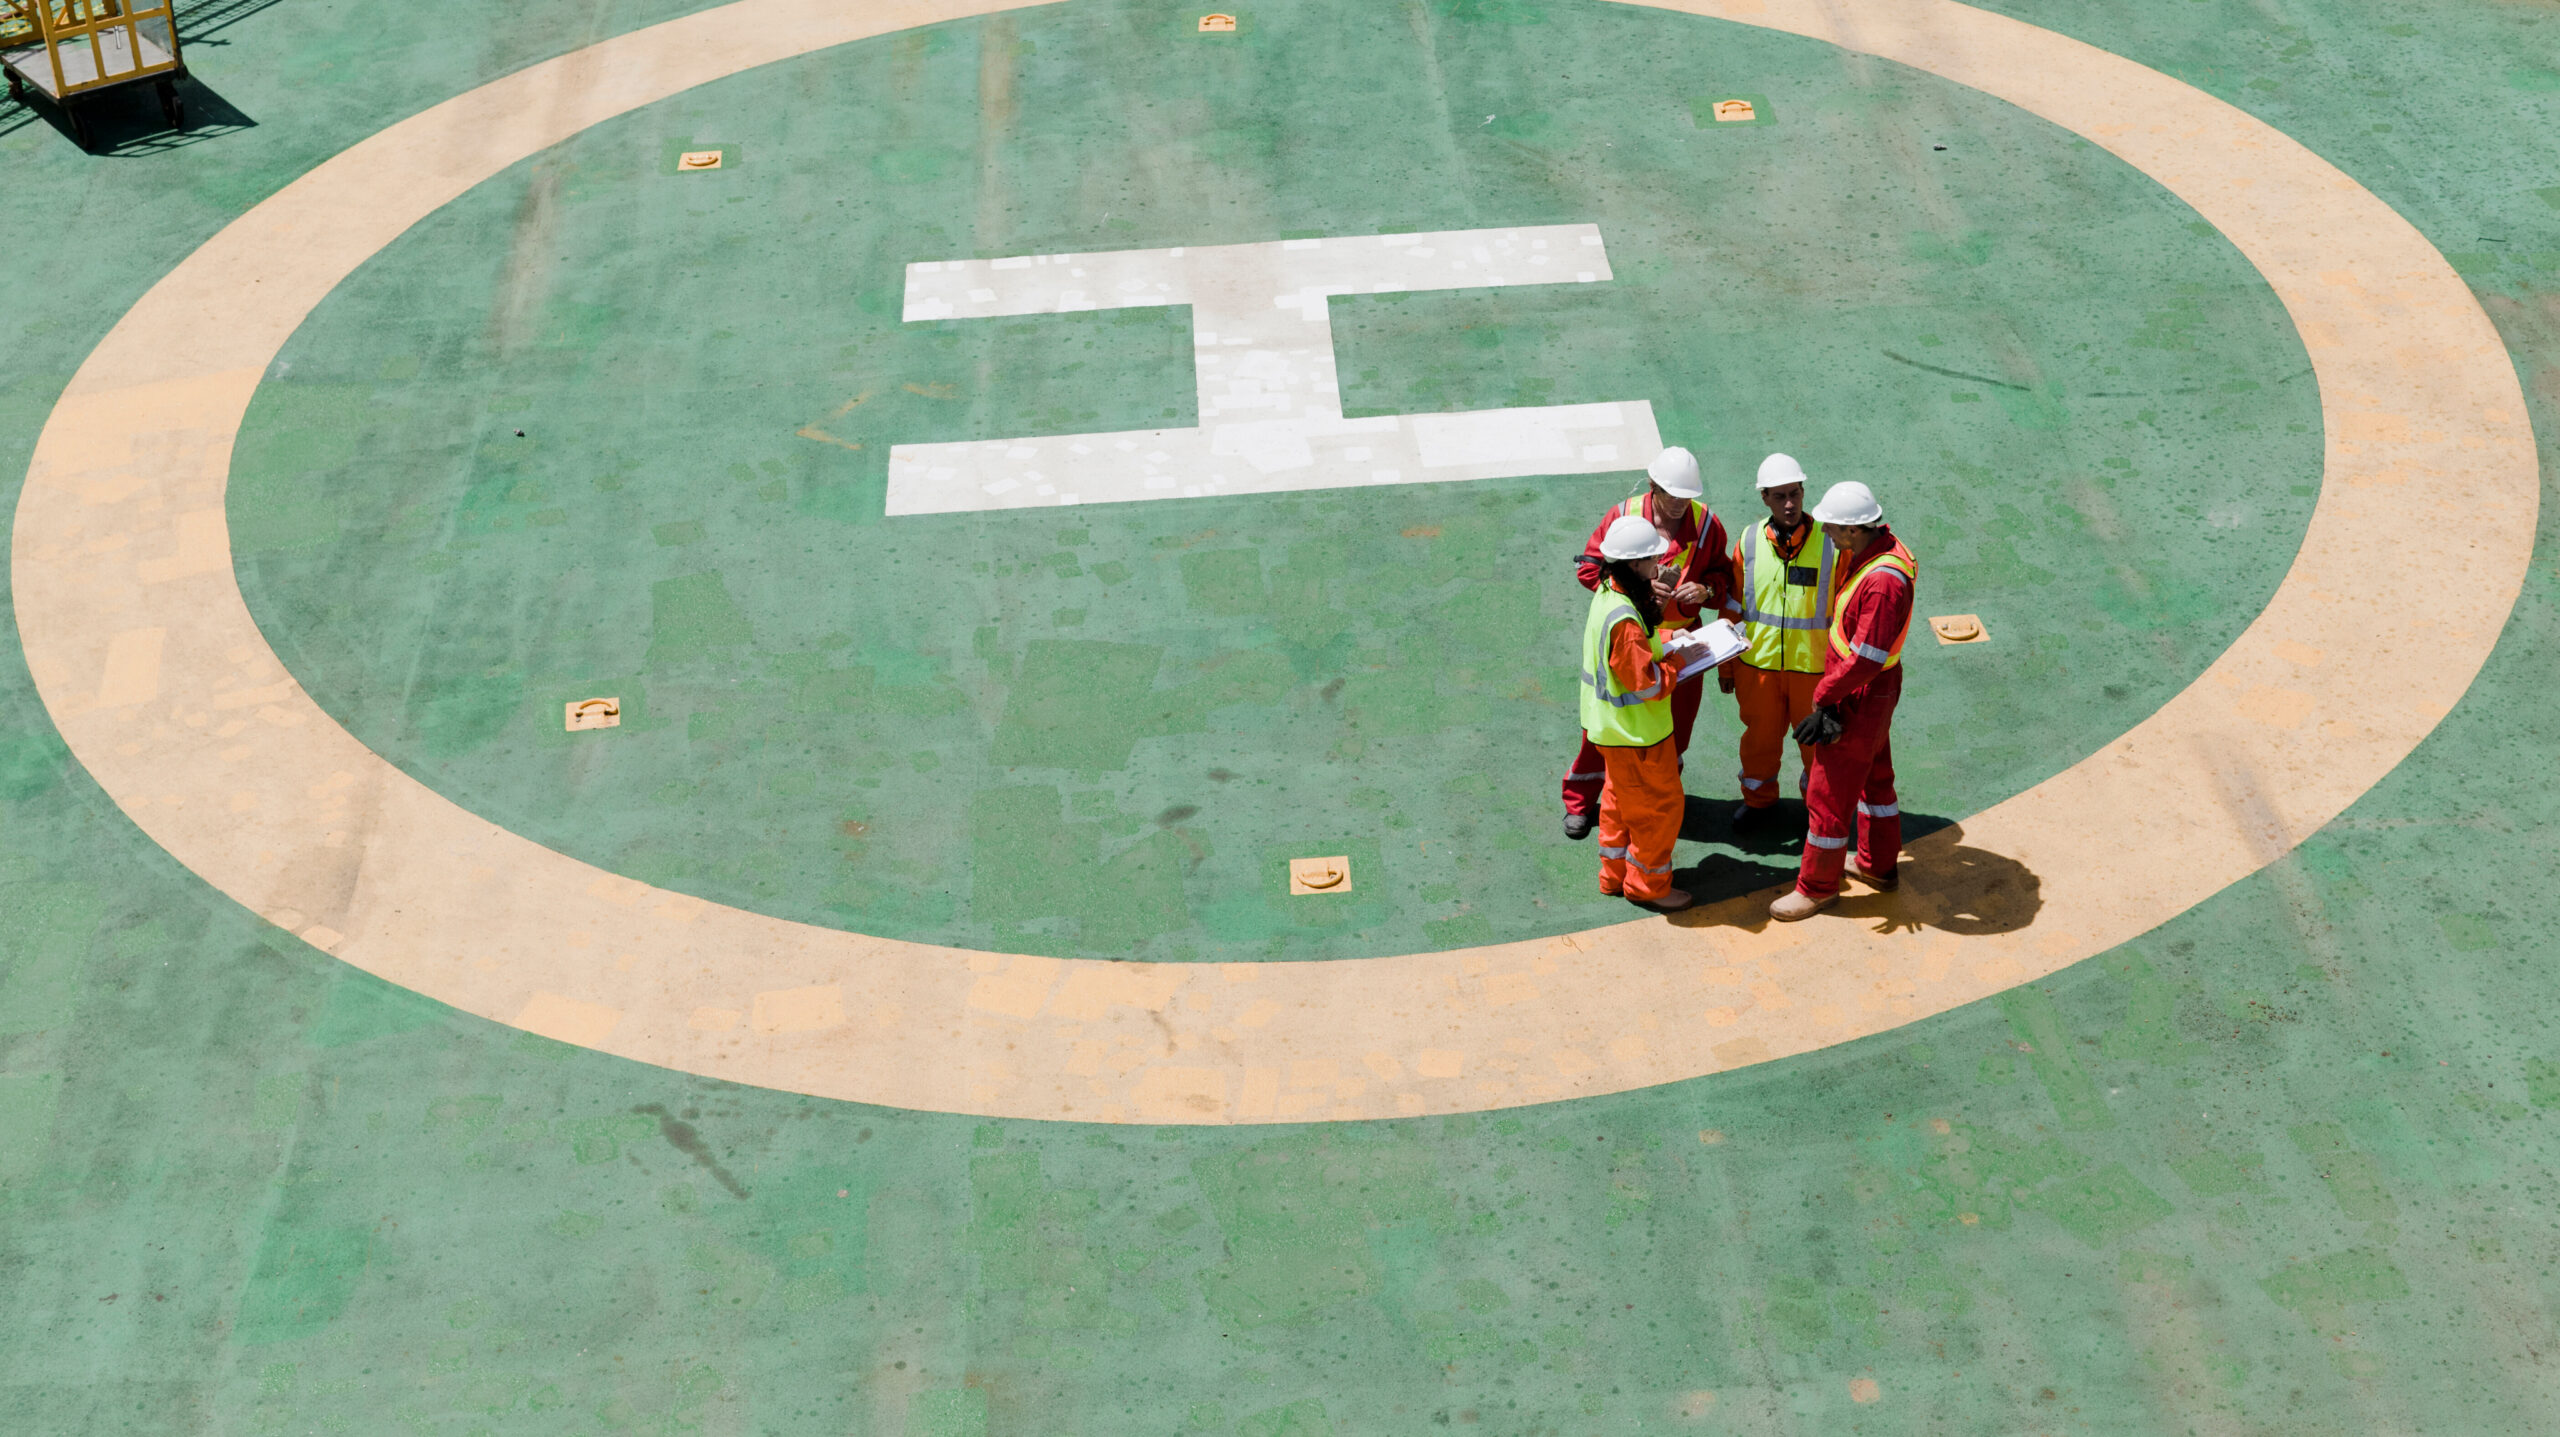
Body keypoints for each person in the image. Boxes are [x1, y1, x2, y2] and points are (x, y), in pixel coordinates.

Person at [1560, 447, 1733, 840]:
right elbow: (1589, 567)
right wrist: (1637, 590)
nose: (1679, 506)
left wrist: (1706, 590)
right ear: (1653, 486)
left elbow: (1725, 577)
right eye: (1672, 496)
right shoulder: (1622, 518)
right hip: (1631, 640)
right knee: (1602, 735)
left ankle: (1656, 800)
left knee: (1672, 735)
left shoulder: (1707, 524)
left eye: (1687, 498)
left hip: (1682, 639)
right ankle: (1581, 802)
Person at [1772, 481, 1916, 921]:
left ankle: (1817, 887)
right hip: (1875, 690)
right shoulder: (1887, 551)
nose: (1829, 537)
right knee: (1875, 779)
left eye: (1834, 530)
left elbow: (1866, 658)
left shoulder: (1881, 583)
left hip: (1859, 692)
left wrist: (1825, 696)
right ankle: (1877, 865)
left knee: (1827, 793)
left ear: (1854, 531)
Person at [1581, 515, 1713, 911]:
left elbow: (1639, 642)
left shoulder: (1610, 595)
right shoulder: (1623, 617)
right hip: (1639, 736)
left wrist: (1672, 638)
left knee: (1619, 804)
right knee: (1659, 810)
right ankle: (1649, 886)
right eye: (1653, 560)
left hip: (1614, 731)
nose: (1659, 565)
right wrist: (1681, 660)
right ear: (1636, 564)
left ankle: (1616, 875)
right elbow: (1649, 683)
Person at [1725, 453, 1834, 833]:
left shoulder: (1830, 542)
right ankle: (1758, 801)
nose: (1789, 504)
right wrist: (1726, 664)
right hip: (1758, 669)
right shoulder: (1749, 540)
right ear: (1764, 499)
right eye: (1780, 497)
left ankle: (1818, 811)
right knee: (1759, 741)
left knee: (1818, 748)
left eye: (1795, 494)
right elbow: (1733, 604)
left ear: (1804, 492)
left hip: (1813, 671)